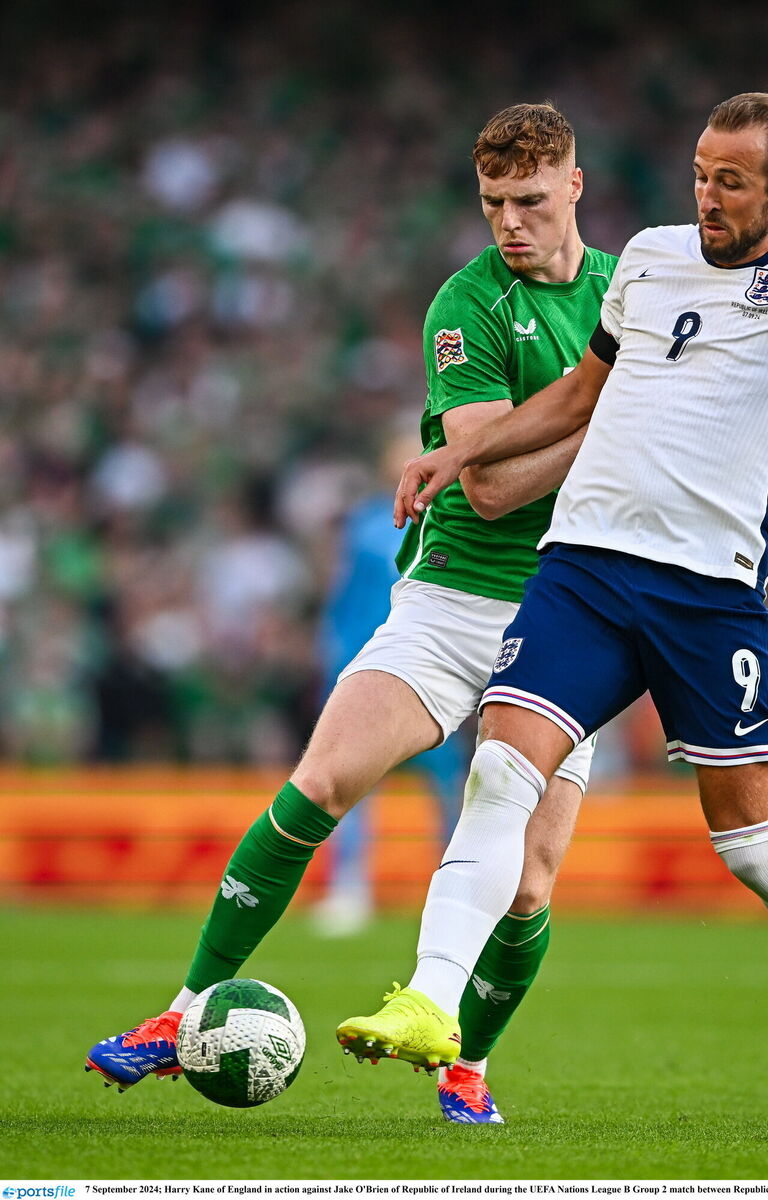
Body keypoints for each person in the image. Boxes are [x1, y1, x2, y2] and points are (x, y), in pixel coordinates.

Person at [343, 91, 768, 1131]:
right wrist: (464, 447)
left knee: (753, 849)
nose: (707, 196)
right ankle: (431, 998)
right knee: (499, 768)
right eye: (701, 174)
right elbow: (581, 395)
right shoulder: (651, 261)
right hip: (584, 567)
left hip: (708, 597)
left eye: (731, 181)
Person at [84, 101, 618, 1126]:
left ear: (575, 188)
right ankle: (182, 1007)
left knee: (529, 886)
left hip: (568, 613)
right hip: (454, 595)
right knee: (322, 779)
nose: (510, 223)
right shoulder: (464, 307)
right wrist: (613, 418)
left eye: (531, 201)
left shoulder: (623, 292)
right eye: (494, 203)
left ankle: (467, 1061)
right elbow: (492, 487)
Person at [310, 426, 467, 938]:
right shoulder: (366, 526)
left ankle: (453, 893)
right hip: (372, 665)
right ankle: (349, 886)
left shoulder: (449, 520)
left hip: (432, 671)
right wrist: (336, 652)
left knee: (447, 789)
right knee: (351, 784)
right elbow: (340, 597)